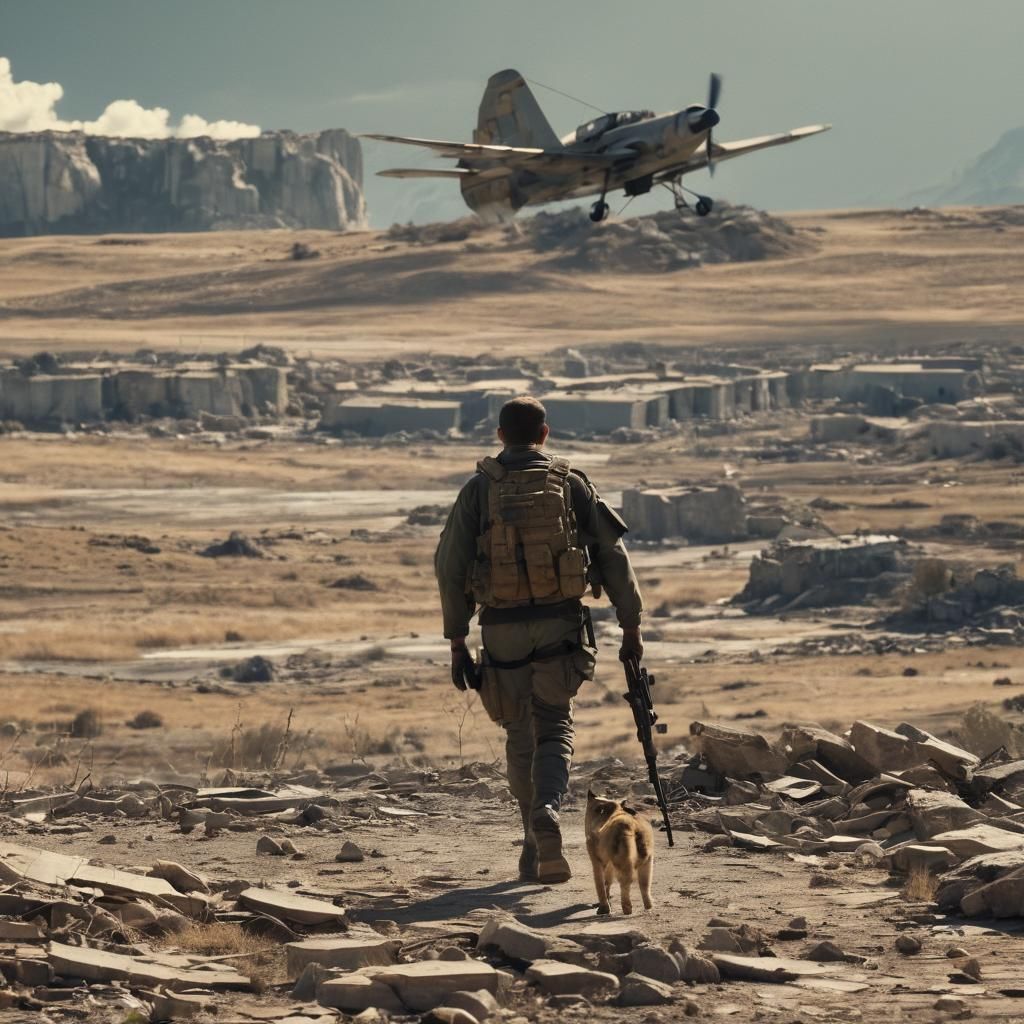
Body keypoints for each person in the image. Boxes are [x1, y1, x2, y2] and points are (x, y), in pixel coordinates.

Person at [435, 395, 644, 883]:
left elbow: (449, 567)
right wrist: (631, 624)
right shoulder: (570, 483)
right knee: (553, 725)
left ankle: (534, 839)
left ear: (500, 436)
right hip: (560, 626)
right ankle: (547, 811)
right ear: (545, 434)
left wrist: (455, 640)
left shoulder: (478, 490)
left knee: (517, 733)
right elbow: (613, 556)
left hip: (501, 630)